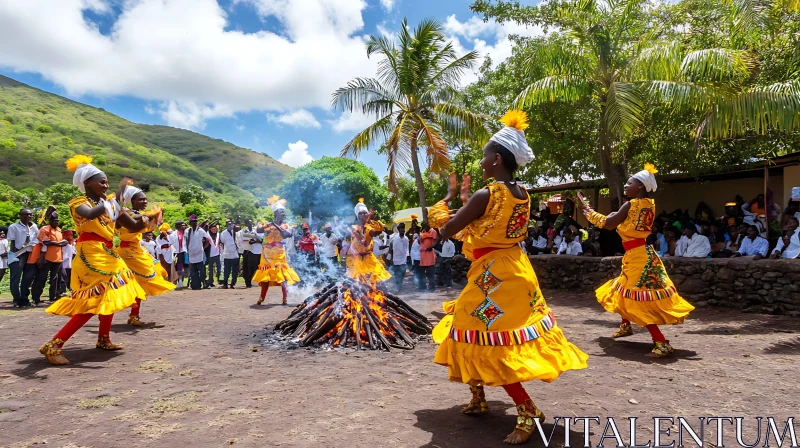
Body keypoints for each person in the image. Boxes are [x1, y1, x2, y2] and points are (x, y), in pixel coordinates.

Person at [428, 110, 588, 445]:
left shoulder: (488, 194)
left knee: (491, 340)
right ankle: (478, 396)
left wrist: (437, 220)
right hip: (514, 270)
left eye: (485, 156)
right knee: (471, 329)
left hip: (494, 278)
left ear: (497, 158)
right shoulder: (523, 194)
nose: (483, 161)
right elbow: (475, 219)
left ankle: (527, 409)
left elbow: (450, 229)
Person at [40, 155, 150, 365]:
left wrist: (150, 218)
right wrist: (114, 200)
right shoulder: (78, 203)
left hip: (107, 252)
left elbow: (134, 227)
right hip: (90, 253)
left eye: (107, 181)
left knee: (108, 297)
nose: (105, 185)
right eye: (101, 181)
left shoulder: (109, 205)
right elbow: (90, 215)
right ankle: (53, 345)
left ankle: (103, 338)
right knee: (96, 300)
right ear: (87, 183)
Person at [581, 163, 695, 358]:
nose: (626, 186)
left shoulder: (631, 204)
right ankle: (626, 325)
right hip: (643, 254)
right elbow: (622, 221)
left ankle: (661, 342)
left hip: (637, 257)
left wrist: (590, 214)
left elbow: (608, 224)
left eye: (629, 182)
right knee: (624, 289)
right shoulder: (648, 204)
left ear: (641, 186)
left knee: (636, 298)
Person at [117, 182, 175, 326]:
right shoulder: (124, 214)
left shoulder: (136, 215)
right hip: (128, 253)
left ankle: (133, 316)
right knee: (127, 284)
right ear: (132, 201)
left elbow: (148, 226)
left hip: (137, 251)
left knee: (139, 283)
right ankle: (106, 312)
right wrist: (150, 216)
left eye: (145, 199)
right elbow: (135, 224)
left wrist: (156, 217)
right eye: (141, 199)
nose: (145, 201)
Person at [253, 197, 300, 305]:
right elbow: (258, 230)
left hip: (279, 253)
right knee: (266, 276)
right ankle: (262, 297)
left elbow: (286, 234)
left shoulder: (286, 226)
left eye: (283, 212)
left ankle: (285, 298)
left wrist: (276, 226)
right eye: (281, 211)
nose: (283, 213)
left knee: (282, 275)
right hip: (267, 253)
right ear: (275, 214)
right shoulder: (269, 225)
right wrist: (267, 224)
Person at [32, 210, 67, 304]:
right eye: (54, 220)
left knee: (55, 279)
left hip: (57, 258)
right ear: (50, 221)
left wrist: (56, 243)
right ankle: (36, 298)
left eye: (57, 220)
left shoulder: (59, 230)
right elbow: (46, 242)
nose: (56, 222)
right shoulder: (45, 229)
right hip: (46, 258)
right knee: (41, 278)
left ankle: (53, 296)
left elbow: (66, 242)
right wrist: (59, 244)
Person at [7, 208, 39, 307]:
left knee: (27, 278)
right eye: (25, 215)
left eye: (30, 215)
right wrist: (14, 256)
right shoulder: (13, 227)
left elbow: (36, 239)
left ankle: (25, 299)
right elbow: (12, 242)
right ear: (20, 216)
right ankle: (16, 299)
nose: (28, 217)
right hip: (18, 255)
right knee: (15, 278)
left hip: (30, 255)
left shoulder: (34, 227)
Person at [183, 216, 209, 291]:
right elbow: (184, 241)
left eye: (195, 221)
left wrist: (203, 246)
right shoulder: (187, 231)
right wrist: (185, 250)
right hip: (191, 253)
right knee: (193, 270)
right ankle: (196, 284)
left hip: (199, 253)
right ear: (190, 223)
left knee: (202, 270)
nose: (194, 223)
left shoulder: (201, 231)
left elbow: (207, 239)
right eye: (193, 221)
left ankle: (203, 282)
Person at [388, 222, 410, 293]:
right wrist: (390, 258)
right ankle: (398, 287)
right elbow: (390, 248)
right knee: (397, 274)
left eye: (403, 228)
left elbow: (407, 248)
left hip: (403, 260)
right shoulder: (393, 238)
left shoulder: (406, 239)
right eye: (400, 228)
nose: (402, 230)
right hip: (396, 259)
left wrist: (408, 256)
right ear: (398, 229)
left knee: (402, 274)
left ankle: (399, 285)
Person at [219, 221, 240, 289]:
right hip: (227, 254)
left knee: (235, 271)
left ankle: (232, 284)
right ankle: (225, 284)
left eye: (231, 224)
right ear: (227, 225)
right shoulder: (223, 233)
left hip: (235, 254)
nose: (231, 226)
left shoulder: (235, 233)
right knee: (226, 270)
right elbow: (222, 242)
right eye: (229, 225)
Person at [239, 220, 258, 288]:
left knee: (253, 267)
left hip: (254, 251)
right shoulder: (243, 231)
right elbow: (242, 240)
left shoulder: (255, 229)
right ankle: (247, 282)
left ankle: (251, 281)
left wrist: (254, 240)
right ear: (246, 224)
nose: (250, 223)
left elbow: (258, 238)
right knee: (246, 267)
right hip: (246, 251)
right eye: (248, 222)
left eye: (251, 222)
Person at [418, 223, 438, 291]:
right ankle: (423, 287)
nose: (424, 228)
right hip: (423, 256)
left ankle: (432, 288)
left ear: (428, 226)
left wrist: (430, 247)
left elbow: (435, 241)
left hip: (430, 256)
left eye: (425, 227)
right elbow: (419, 242)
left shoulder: (433, 231)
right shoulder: (423, 233)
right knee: (422, 273)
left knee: (430, 273)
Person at [168, 220, 187, 289]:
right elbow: (170, 244)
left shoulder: (186, 233)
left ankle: (182, 282)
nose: (184, 226)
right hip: (178, 253)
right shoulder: (173, 235)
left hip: (185, 253)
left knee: (185, 268)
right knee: (178, 268)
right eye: (182, 225)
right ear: (178, 226)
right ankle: (179, 282)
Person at [58, 230, 76, 298]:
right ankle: (61, 291)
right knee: (63, 277)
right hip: (62, 262)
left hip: (69, 264)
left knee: (67, 278)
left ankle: (67, 289)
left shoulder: (72, 244)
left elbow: (74, 254)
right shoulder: (64, 242)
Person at [206, 223, 221, 288]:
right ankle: (210, 282)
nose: (214, 230)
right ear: (210, 229)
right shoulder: (207, 235)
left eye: (215, 229)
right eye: (212, 229)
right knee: (210, 269)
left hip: (217, 254)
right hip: (210, 254)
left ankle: (219, 280)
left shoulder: (218, 235)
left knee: (219, 268)